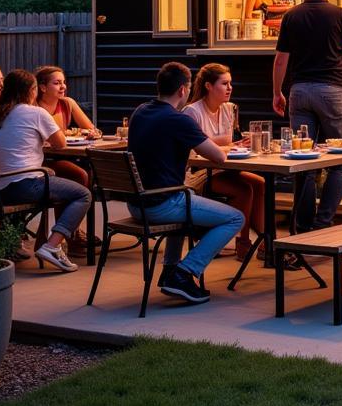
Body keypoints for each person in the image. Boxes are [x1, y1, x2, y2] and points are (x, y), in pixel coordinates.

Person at [127, 62, 244, 305]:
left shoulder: (141, 111)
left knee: (186, 200)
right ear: (183, 90)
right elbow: (219, 157)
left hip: (136, 202)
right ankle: (183, 272)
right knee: (235, 218)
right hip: (162, 203)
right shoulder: (178, 120)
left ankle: (170, 269)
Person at [272, 0, 342, 231]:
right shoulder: (339, 14)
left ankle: (303, 228)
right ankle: (323, 224)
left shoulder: (291, 16)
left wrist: (277, 92)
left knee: (303, 160)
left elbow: (281, 60)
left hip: (300, 91)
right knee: (339, 161)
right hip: (332, 92)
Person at [0, 69, 92, 272]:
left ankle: (43, 243)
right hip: (26, 185)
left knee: (61, 178)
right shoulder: (35, 112)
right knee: (83, 194)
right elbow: (60, 144)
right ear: (31, 90)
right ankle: (52, 246)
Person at [184, 62, 265, 261]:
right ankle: (242, 243)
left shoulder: (229, 109)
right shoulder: (192, 112)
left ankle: (266, 242)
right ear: (208, 86)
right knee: (244, 190)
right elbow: (194, 152)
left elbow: (228, 143)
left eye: (230, 83)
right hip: (199, 172)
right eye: (224, 83)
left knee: (260, 183)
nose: (230, 88)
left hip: (226, 168)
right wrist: (228, 147)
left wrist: (237, 145)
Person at [35, 65, 98, 190]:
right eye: (57, 83)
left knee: (91, 168)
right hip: (43, 158)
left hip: (66, 154)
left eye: (64, 82)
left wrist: (92, 133)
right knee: (80, 173)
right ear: (42, 87)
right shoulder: (34, 107)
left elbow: (90, 128)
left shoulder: (68, 103)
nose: (63, 86)